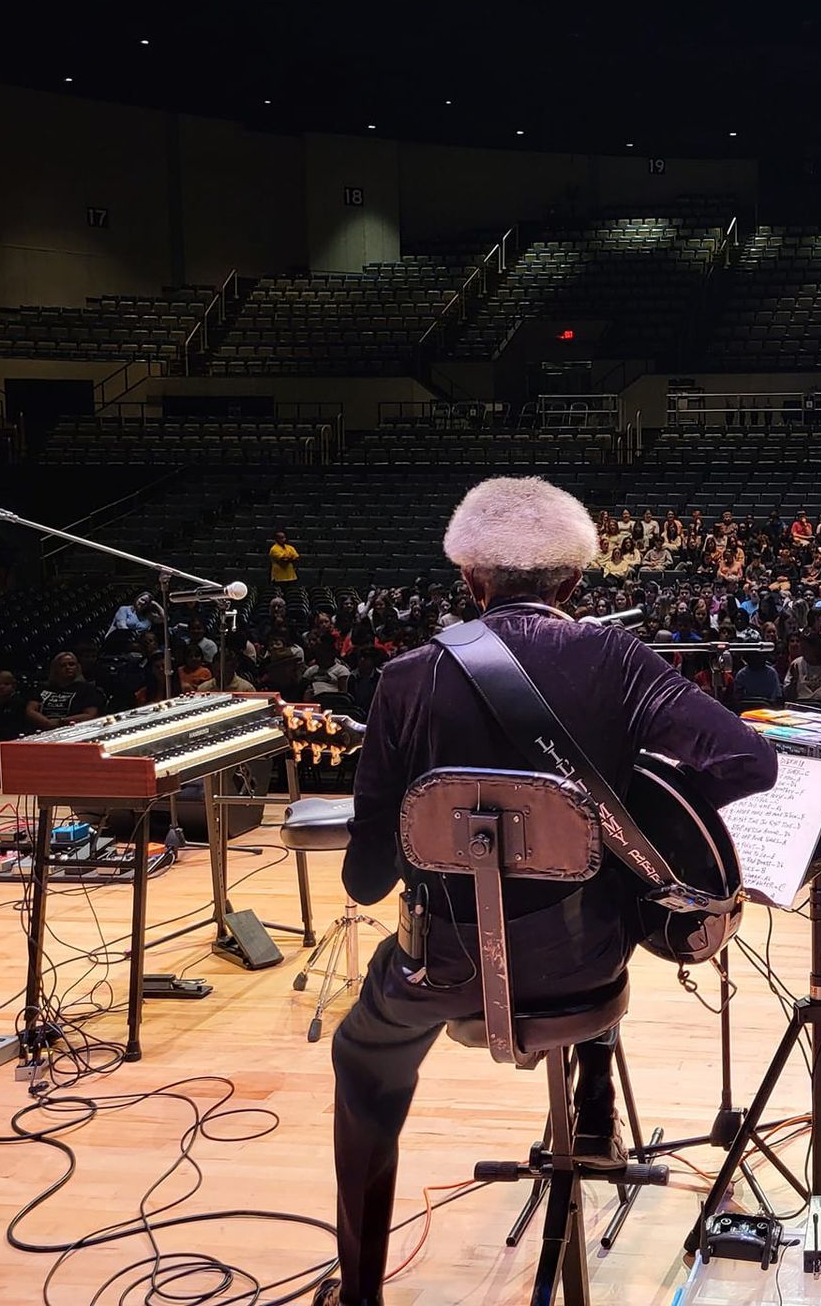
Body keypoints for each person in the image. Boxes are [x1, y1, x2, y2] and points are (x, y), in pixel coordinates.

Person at [319, 476, 777, 1306]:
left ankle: (359, 1293)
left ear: (471, 581)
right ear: (573, 584)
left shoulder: (406, 678)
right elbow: (751, 763)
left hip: (445, 971)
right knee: (599, 895)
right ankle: (591, 1107)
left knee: (361, 1052)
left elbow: (365, 877)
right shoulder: (619, 660)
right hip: (587, 964)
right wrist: (618, 810)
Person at [25, 652, 105, 732]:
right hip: (42, 729)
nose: (68, 667)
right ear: (55, 669)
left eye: (71, 664)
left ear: (77, 667)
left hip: (72, 731)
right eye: (63, 665)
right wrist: (47, 723)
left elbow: (90, 715)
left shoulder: (87, 689)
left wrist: (61, 722)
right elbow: (30, 710)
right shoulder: (43, 688)